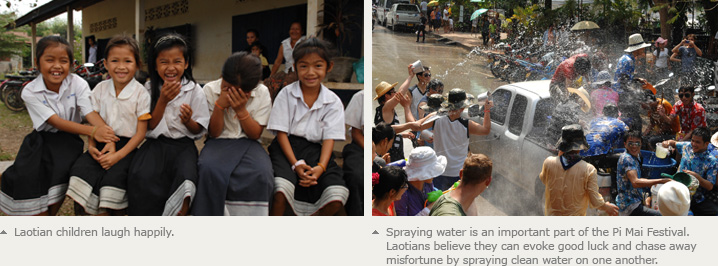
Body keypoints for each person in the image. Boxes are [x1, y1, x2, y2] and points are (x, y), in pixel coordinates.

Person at [0, 36, 118, 216]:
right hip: (39, 142)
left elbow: (89, 112)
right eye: (49, 60)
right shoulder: (30, 91)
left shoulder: (77, 83)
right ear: (37, 62)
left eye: (63, 61)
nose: (57, 66)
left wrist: (108, 137)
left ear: (70, 64)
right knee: (25, 179)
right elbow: (54, 121)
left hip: (68, 143)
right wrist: (93, 131)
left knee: (58, 182)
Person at [127, 33, 210, 216]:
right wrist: (162, 100)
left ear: (186, 63)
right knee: (141, 176)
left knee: (187, 180)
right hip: (155, 145)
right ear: (155, 66)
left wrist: (188, 121)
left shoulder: (194, 90)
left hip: (183, 146)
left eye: (177, 61)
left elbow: (198, 130)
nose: (171, 68)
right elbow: (149, 126)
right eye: (164, 62)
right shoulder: (148, 89)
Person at [66, 35, 149, 216]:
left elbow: (141, 133)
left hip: (127, 149)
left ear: (137, 64)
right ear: (105, 63)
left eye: (127, 61)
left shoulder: (141, 94)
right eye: (114, 61)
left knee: (114, 181)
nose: (121, 66)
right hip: (100, 144)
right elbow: (93, 120)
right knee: (81, 170)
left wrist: (117, 156)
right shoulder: (100, 89)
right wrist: (92, 146)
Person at [267, 38, 347, 216]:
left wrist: (320, 167)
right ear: (295, 67)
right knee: (280, 190)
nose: (311, 72)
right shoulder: (286, 94)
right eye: (304, 66)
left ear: (329, 66)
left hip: (317, 152)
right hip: (285, 147)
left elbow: (329, 138)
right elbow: (281, 134)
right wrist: (295, 163)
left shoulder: (333, 101)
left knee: (336, 195)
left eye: (318, 66)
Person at [192, 52, 273, 216]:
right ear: (222, 76)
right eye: (227, 87)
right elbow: (214, 133)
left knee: (262, 173)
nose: (232, 93)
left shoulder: (262, 92)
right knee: (208, 170)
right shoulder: (209, 89)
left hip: (248, 143)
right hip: (218, 142)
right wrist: (220, 106)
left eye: (240, 91)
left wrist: (241, 110)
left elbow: (255, 134)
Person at [413, 88, 493, 190]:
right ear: (462, 108)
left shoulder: (436, 119)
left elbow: (418, 127)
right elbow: (486, 130)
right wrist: (487, 110)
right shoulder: (467, 124)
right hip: (458, 173)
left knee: (437, 201)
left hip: (439, 170)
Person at [540, 124, 619, 216]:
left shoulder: (548, 162)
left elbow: (544, 180)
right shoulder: (588, 169)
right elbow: (595, 201)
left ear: (562, 145)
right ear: (580, 146)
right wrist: (606, 207)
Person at [662, 127, 718, 215]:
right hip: (676, 191)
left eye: (697, 142)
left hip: (695, 198)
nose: (693, 144)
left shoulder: (711, 161)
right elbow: (674, 143)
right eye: (692, 140)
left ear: (706, 144)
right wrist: (667, 143)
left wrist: (697, 177)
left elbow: (710, 186)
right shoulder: (687, 146)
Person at [616, 131, 671, 216]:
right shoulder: (627, 159)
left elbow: (634, 179)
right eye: (630, 143)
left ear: (641, 144)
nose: (634, 146)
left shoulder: (636, 156)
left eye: (637, 143)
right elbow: (635, 182)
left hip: (635, 200)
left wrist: (648, 182)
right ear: (625, 144)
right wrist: (660, 181)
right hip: (630, 206)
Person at [395, 147, 446, 216]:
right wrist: (429, 208)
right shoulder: (403, 193)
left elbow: (434, 192)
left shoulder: (427, 184)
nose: (434, 175)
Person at [374, 80, 413, 162]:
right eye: (393, 92)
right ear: (386, 96)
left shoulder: (381, 110)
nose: (396, 93)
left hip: (390, 153)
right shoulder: (386, 108)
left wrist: (400, 135)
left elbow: (387, 132)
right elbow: (400, 94)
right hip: (391, 156)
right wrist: (411, 76)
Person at [266, 22, 306, 100]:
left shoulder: (305, 41)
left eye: (297, 29)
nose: (294, 31)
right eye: (292, 29)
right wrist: (270, 76)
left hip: (299, 72)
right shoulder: (284, 43)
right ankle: (272, 105)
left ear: (302, 31)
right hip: (287, 72)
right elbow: (278, 61)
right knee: (269, 82)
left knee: (286, 84)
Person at [343, 90, 364, 216]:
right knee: (356, 176)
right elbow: (356, 133)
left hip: (378, 147)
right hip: (361, 146)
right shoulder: (360, 96)